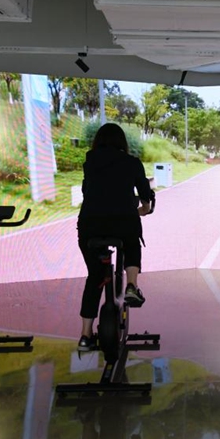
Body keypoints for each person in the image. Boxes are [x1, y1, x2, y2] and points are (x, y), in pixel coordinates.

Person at [77, 123, 153, 351]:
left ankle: (85, 336)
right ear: (122, 142)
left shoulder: (90, 162)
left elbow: (86, 191)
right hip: (123, 221)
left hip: (90, 224)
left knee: (95, 276)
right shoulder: (132, 162)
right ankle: (131, 285)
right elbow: (145, 194)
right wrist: (143, 208)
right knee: (132, 240)